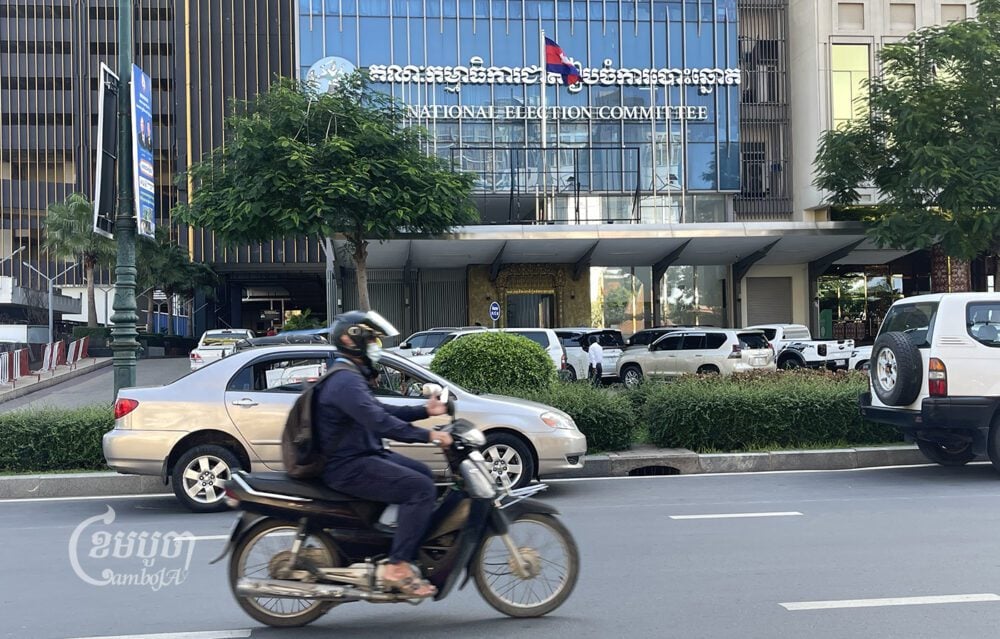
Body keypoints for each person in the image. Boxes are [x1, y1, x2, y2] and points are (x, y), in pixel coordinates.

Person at [314, 310, 453, 599]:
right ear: (350, 341)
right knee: (420, 488)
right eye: (372, 339)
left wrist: (423, 411)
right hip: (349, 466)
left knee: (425, 475)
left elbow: (380, 411)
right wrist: (429, 435)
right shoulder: (345, 381)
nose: (377, 345)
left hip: (364, 454)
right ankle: (397, 565)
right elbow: (380, 423)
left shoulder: (350, 376)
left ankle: (399, 540)